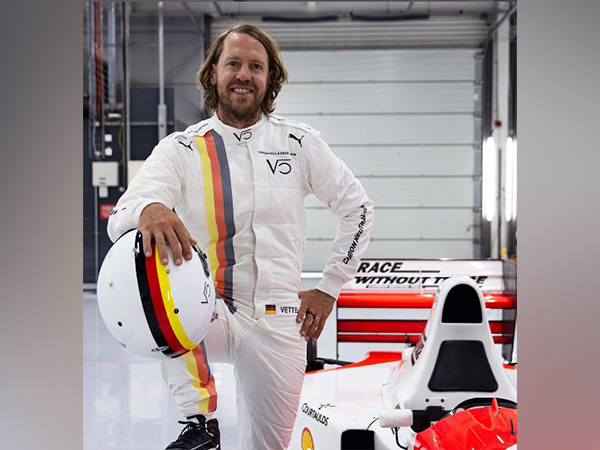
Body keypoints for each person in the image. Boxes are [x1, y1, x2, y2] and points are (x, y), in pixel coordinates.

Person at [107, 22, 374, 450]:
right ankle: (199, 422)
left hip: (280, 318)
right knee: (149, 273)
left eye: (256, 66)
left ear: (270, 78)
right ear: (213, 73)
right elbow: (121, 214)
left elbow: (357, 208)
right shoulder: (183, 148)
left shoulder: (298, 143)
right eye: (233, 63)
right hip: (208, 309)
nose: (244, 75)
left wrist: (329, 287)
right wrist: (148, 208)